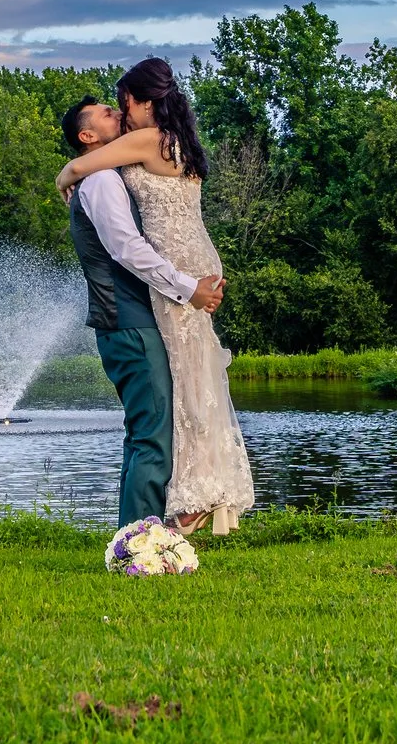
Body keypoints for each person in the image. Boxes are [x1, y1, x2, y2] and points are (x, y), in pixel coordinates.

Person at [57, 57, 257, 534]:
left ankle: (160, 522)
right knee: (175, 407)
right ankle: (153, 528)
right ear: (88, 134)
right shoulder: (121, 168)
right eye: (107, 113)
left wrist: (66, 173)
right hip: (154, 297)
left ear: (143, 102)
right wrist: (189, 287)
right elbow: (125, 244)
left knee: (178, 403)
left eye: (119, 104)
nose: (117, 114)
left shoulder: (134, 150)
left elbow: (92, 185)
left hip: (173, 285)